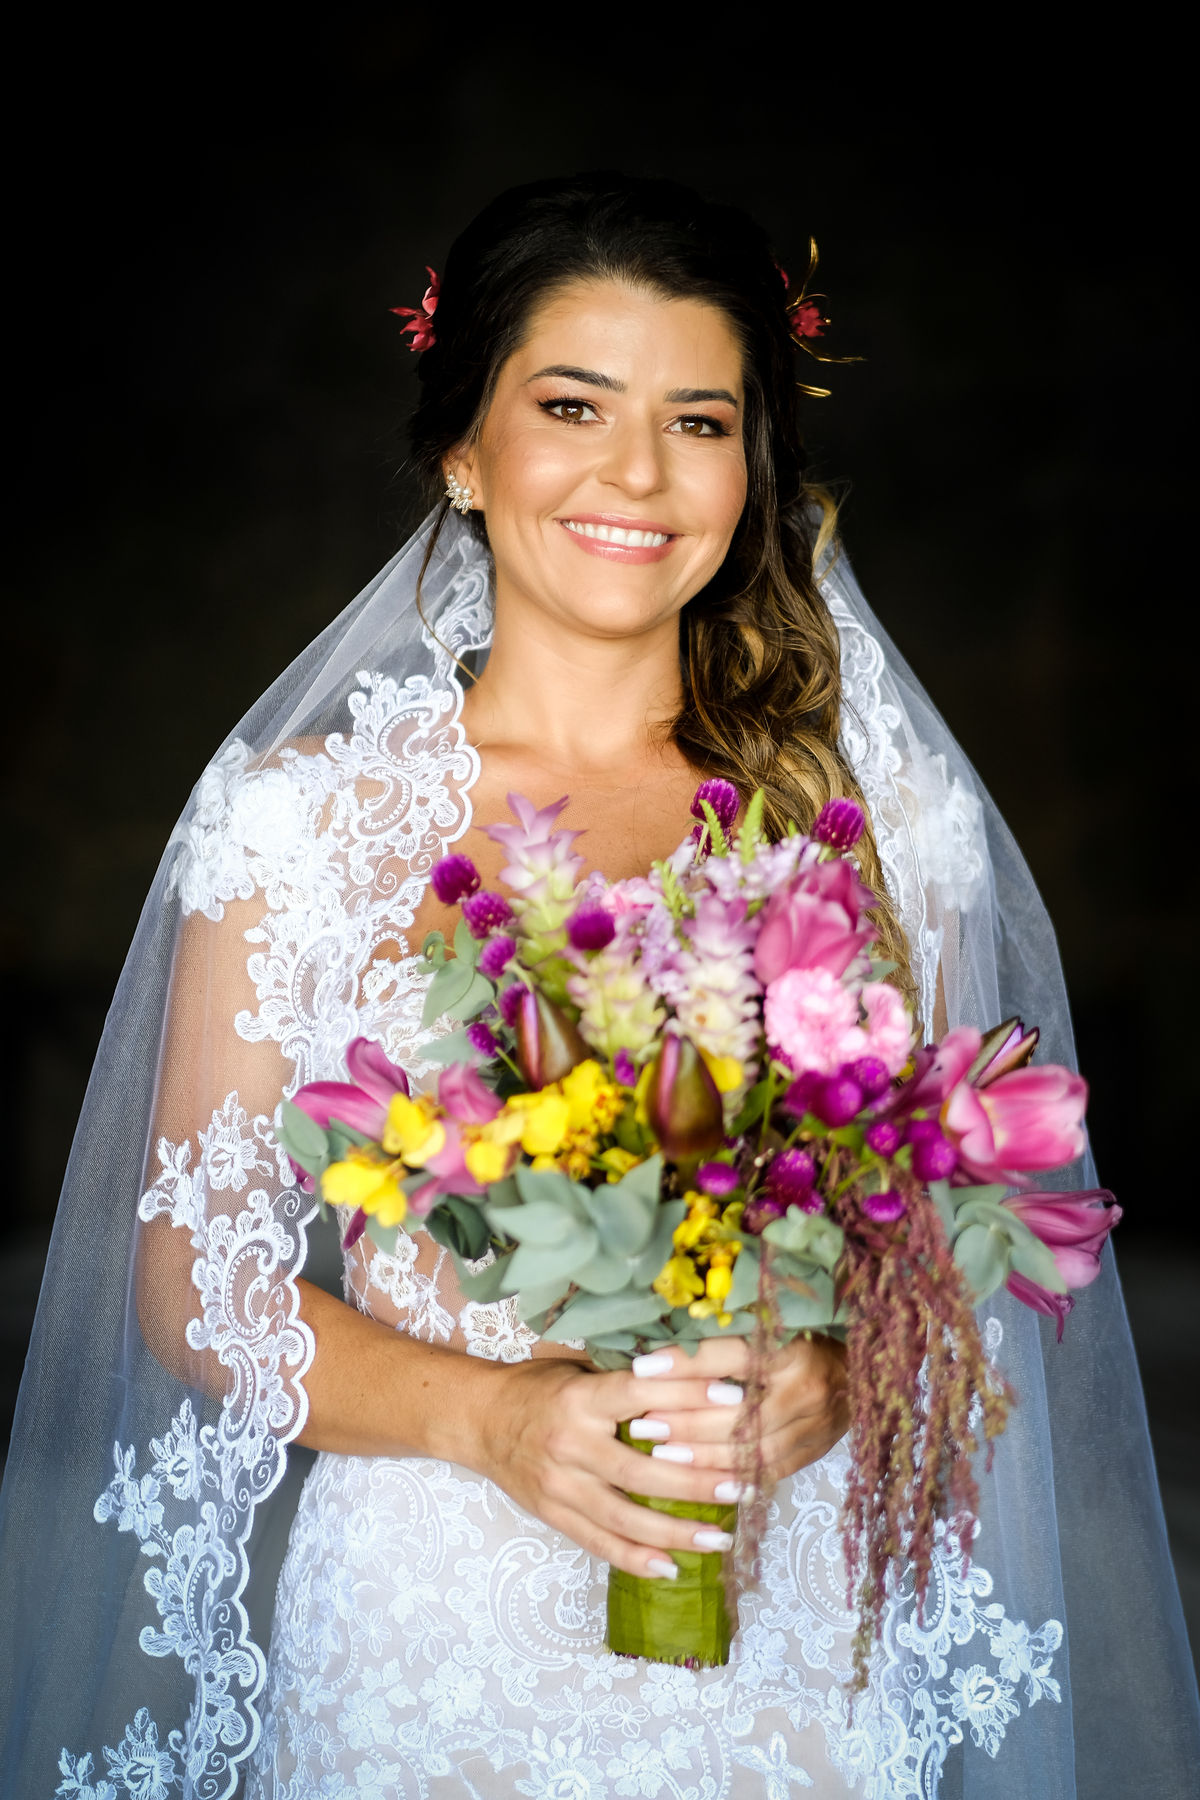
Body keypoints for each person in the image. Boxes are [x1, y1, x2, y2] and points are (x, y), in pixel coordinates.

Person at [2, 175, 1196, 1800]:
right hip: (432, 1633)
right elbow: (193, 1285)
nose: (638, 472)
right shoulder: (303, 821)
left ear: (749, 467)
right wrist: (499, 1423)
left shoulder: (881, 818)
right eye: (573, 404)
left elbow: (964, 1251)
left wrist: (836, 1379)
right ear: (462, 450)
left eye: (699, 420)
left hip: (793, 1632)